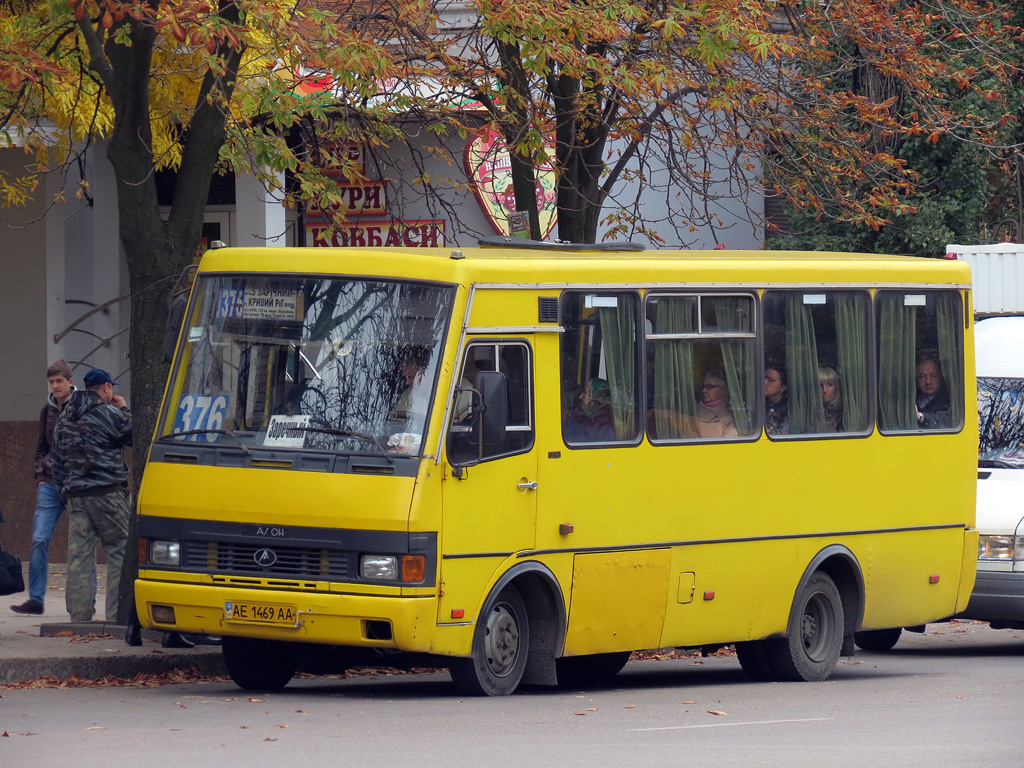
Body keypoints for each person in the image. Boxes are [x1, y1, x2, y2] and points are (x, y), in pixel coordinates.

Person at [51, 368, 132, 623]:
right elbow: (133, 434)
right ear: (107, 387)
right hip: (107, 493)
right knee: (120, 550)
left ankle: (80, 617)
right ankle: (119, 615)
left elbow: (57, 461)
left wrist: (65, 492)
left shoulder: (64, 418)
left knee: (79, 556)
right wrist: (124, 409)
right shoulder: (108, 413)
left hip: (75, 495)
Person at [10, 360, 76, 615]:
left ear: (70, 382)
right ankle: (36, 599)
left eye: (59, 381)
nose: (55, 386)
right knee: (39, 539)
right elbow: (41, 447)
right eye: (51, 382)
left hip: (76, 484)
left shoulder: (82, 407)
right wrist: (40, 477)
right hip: (49, 484)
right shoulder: (47, 410)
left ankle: (85, 600)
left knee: (81, 543)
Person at [565, 377, 616, 442]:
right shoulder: (575, 418)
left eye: (585, 393)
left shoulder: (610, 426)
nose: (580, 396)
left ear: (597, 399)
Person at [696, 369, 738, 438]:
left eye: (709, 387)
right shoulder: (692, 411)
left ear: (723, 389)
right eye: (703, 387)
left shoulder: (731, 418)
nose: (704, 390)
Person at [915, 353, 952, 429]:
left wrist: (920, 417)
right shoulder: (909, 400)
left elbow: (947, 422)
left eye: (933, 376)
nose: (928, 381)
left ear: (941, 376)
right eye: (922, 376)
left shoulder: (949, 402)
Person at [764, 364, 789, 436]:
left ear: (783, 387)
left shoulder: (788, 409)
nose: (764, 383)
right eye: (764, 378)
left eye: (770, 380)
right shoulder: (758, 404)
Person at [819, 366, 844, 432]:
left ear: (836, 387)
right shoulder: (810, 412)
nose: (824, 390)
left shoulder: (843, 414)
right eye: (820, 385)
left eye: (829, 385)